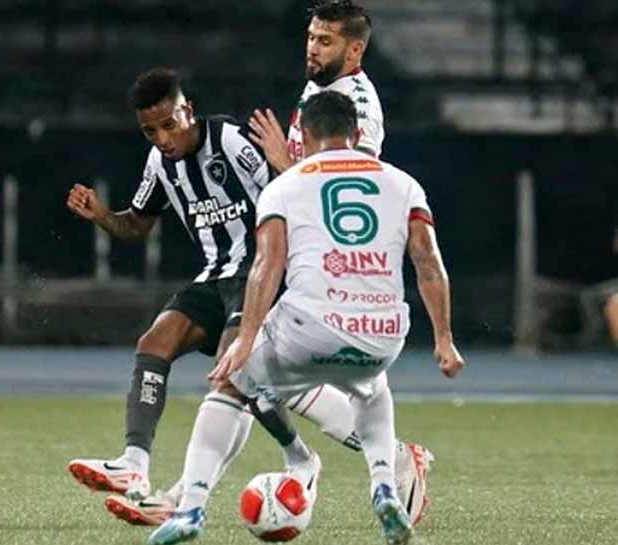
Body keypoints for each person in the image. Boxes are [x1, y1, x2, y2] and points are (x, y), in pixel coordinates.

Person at [148, 90, 464, 545]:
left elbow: (267, 265)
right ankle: (384, 488)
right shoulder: (403, 183)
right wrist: (444, 339)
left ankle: (191, 508)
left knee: (232, 384)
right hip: (383, 333)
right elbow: (429, 263)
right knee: (372, 389)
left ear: (305, 135)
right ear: (356, 135)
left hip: (309, 327)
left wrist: (245, 337)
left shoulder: (287, 185)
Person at [247, 0, 435, 525]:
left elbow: (351, 185)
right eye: (311, 36)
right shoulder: (321, 87)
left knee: (257, 369)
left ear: (356, 50)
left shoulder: (357, 105)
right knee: (282, 375)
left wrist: (282, 166)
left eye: (325, 40)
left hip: (337, 263)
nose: (312, 46)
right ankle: (380, 460)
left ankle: (320, 463)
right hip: (304, 250)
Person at [66, 66, 269, 508]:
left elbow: (284, 191)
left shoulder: (231, 140)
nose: (162, 138)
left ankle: (185, 499)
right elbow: (136, 225)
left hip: (259, 274)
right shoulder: (159, 164)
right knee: (154, 342)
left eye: (169, 124)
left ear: (188, 111)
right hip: (215, 276)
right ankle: (133, 463)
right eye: (150, 131)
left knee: (235, 381)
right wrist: (101, 215)